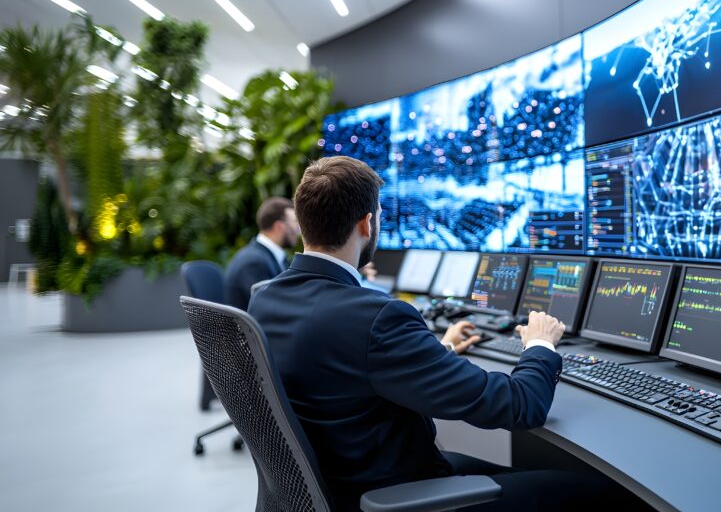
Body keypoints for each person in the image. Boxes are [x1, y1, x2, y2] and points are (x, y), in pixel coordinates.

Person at [249, 156, 640, 511]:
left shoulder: (265, 299)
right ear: (367, 224)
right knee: (599, 493)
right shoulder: (376, 316)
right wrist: (540, 343)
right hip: (395, 493)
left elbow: (336, 369)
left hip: (341, 485)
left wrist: (434, 351)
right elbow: (519, 405)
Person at [223, 197, 299, 310]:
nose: (298, 229)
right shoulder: (253, 262)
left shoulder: (269, 257)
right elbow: (270, 309)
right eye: (295, 222)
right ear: (279, 227)